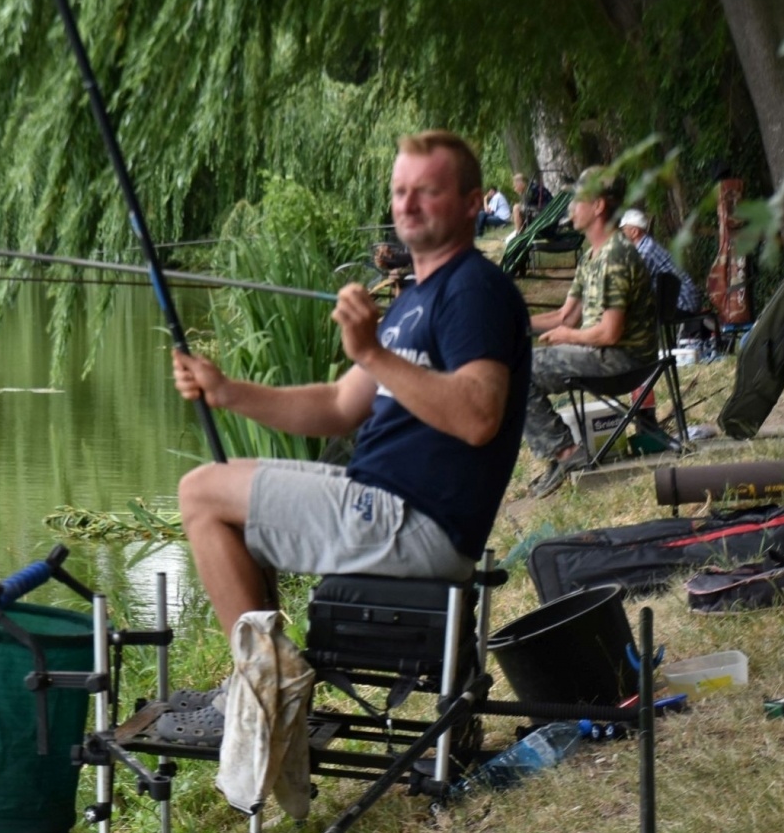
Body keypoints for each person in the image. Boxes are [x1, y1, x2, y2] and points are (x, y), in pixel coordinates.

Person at [173, 130, 532, 640]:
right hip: (382, 504)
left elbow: (479, 417)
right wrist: (226, 390)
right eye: (399, 190)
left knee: (201, 493)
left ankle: (262, 687)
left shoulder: (472, 289)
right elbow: (340, 404)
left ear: (473, 203)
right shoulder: (417, 298)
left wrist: (372, 352)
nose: (407, 204)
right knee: (223, 483)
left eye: (426, 191)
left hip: (416, 521)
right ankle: (270, 678)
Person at [523, 168, 657, 498]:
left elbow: (610, 333)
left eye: (577, 200)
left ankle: (568, 454)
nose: (570, 207)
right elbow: (565, 316)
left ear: (597, 206)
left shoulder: (616, 255)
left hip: (622, 361)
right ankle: (562, 454)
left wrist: (566, 337)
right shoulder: (590, 257)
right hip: (600, 354)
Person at [619, 209, 702, 314]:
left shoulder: (646, 251)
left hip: (683, 302)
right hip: (683, 301)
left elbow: (632, 280)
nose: (622, 235)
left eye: (624, 230)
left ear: (634, 232)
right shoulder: (647, 246)